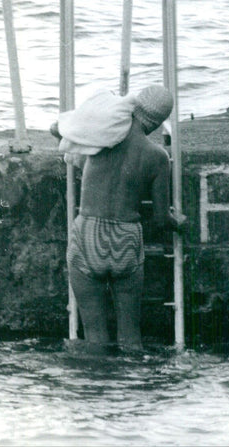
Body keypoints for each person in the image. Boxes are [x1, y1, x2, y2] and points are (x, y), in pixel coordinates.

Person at [51, 85, 185, 349]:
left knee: (94, 333)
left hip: (88, 232)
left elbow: (57, 129)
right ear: (158, 123)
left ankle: (101, 385)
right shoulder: (157, 156)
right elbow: (161, 219)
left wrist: (100, 112)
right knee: (130, 334)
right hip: (126, 237)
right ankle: (131, 386)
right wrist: (178, 222)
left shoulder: (99, 138)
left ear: (133, 108)